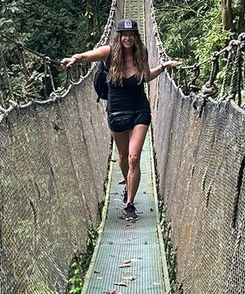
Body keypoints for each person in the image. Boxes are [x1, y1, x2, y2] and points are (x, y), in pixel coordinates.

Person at [61, 19, 179, 220]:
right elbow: (87, 57)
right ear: (119, 36)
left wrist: (164, 67)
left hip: (139, 111)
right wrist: (75, 58)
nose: (127, 38)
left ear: (136, 36)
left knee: (134, 157)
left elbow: (146, 77)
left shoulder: (141, 52)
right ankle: (129, 185)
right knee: (124, 157)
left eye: (131, 34)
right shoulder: (109, 52)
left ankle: (130, 204)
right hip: (116, 113)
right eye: (124, 34)